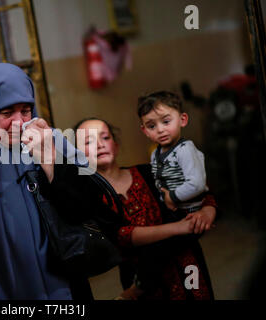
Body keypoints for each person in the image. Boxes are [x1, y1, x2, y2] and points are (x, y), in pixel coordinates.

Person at [0, 63, 120, 299]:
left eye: (26, 110)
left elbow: (88, 206)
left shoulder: (50, 140)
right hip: (1, 281)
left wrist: (50, 162)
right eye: (6, 113)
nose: (19, 123)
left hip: (64, 280)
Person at [74, 117, 217, 300]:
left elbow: (200, 192)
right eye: (88, 141)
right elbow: (122, 236)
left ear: (116, 145)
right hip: (141, 283)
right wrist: (180, 227)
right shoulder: (90, 197)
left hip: (187, 267)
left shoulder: (151, 172)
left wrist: (207, 210)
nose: (100, 145)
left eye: (105, 137)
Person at [138, 91, 208, 215]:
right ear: (145, 131)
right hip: (171, 208)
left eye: (166, 122)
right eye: (151, 126)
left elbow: (197, 184)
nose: (160, 130)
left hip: (189, 210)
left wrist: (172, 197)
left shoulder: (185, 149)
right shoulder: (155, 153)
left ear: (182, 120)